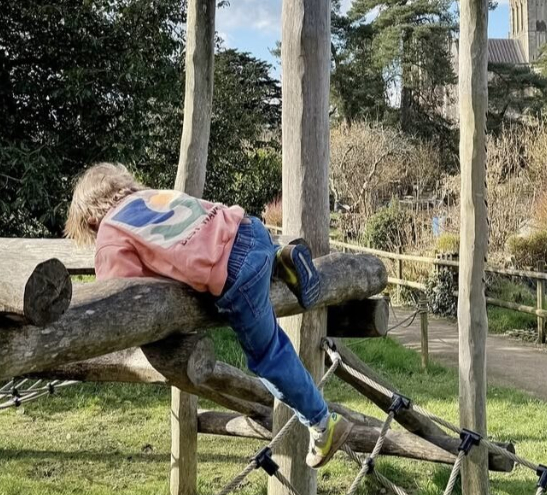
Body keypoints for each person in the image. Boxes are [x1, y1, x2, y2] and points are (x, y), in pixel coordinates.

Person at [64, 162, 352, 468]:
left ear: (92, 217)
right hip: (250, 229)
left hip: (235, 275)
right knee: (257, 259)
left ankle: (323, 423)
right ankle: (280, 259)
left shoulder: (111, 228)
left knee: (269, 357)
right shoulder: (153, 197)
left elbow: (119, 294)